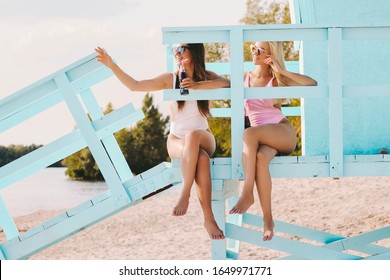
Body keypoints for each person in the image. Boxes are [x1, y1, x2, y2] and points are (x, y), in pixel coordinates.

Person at [95, 44, 230, 240]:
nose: (177, 53)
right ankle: (208, 218)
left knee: (193, 135)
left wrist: (198, 85)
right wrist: (112, 65)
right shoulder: (171, 78)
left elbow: (227, 83)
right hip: (177, 140)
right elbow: (136, 85)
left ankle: (185, 193)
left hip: (203, 136)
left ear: (194, 51)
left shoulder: (207, 75)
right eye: (174, 50)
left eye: (182, 49)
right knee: (201, 160)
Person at [229, 41, 317, 241]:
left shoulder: (277, 79)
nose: (255, 52)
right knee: (260, 157)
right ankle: (268, 221)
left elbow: (311, 83)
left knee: (250, 134)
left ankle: (247, 192)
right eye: (253, 47)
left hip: (282, 132)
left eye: (260, 50)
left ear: (271, 54)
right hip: (262, 141)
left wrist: (280, 70)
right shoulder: (244, 78)